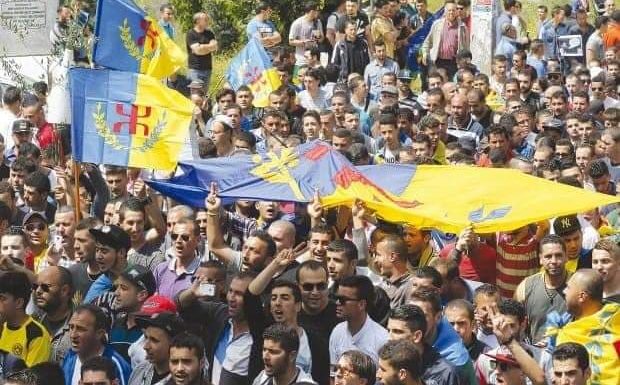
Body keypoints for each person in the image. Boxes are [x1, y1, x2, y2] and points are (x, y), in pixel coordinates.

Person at [177, 272, 265, 384]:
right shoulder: (219, 314)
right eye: (230, 291)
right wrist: (192, 293)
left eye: (239, 294)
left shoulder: (262, 333)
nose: (231, 298)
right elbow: (182, 306)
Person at [474, 299, 549, 385]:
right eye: (501, 325)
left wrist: (509, 340)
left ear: (523, 324)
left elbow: (540, 380)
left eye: (511, 326)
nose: (504, 331)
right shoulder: (485, 361)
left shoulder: (543, 358)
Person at [514, 234, 570, 343]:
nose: (553, 261)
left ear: (566, 257)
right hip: (535, 355)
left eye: (558, 255)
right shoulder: (525, 287)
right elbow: (515, 323)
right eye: (548, 256)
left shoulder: (577, 284)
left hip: (569, 356)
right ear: (540, 259)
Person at [387, 304, 459, 385]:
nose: (389, 338)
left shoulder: (444, 373)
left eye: (397, 332)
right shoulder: (386, 366)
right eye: (388, 330)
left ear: (417, 336)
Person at [63, 304, 131, 385]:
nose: (73, 335)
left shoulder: (117, 365)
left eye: (80, 329)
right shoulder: (69, 358)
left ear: (99, 334)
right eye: (71, 327)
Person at [329, 275, 389, 367]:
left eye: (342, 300)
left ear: (361, 304)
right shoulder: (337, 331)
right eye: (337, 298)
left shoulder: (383, 340)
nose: (337, 303)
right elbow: (333, 372)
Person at [0, 271, 51, 367]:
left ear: (19, 302)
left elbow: (30, 379)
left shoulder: (36, 335)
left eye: (2, 298)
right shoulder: (2, 326)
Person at [109, 265, 156, 360]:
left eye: (123, 288)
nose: (116, 293)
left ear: (142, 295)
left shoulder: (152, 329)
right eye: (117, 287)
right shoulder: (116, 324)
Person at [128, 312, 185, 385]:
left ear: (174, 343)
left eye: (154, 340)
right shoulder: (140, 370)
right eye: (146, 338)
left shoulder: (186, 379)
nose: (146, 346)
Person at [32, 266, 74, 362]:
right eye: (35, 286)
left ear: (64, 290)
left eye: (45, 287)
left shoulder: (77, 328)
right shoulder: (33, 322)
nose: (38, 291)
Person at [421, 0, 469, 78]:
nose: (451, 12)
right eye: (449, 10)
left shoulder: (462, 27)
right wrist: (425, 54)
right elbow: (427, 42)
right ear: (445, 11)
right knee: (438, 85)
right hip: (437, 61)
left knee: (451, 86)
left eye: (453, 10)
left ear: (456, 11)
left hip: (454, 63)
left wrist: (465, 62)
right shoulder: (437, 24)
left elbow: (466, 48)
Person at [186, 12, 218, 92]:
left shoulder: (209, 33)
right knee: (196, 95)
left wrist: (202, 47)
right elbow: (198, 51)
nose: (208, 21)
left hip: (207, 69)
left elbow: (215, 47)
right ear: (197, 21)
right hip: (195, 70)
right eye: (206, 19)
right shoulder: (191, 34)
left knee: (204, 94)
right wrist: (208, 47)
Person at [331, 19, 370, 83]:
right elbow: (335, 64)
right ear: (345, 30)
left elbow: (368, 62)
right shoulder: (340, 45)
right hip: (345, 81)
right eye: (351, 30)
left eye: (355, 29)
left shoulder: (363, 44)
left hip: (359, 80)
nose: (353, 32)